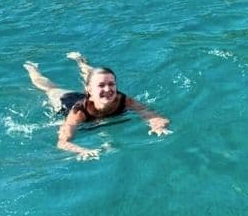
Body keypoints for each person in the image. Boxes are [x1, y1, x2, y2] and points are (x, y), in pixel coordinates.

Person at [23, 51, 170, 160]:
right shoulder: (78, 113)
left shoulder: (123, 100)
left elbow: (150, 114)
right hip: (66, 102)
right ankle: (32, 69)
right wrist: (81, 150)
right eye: (101, 86)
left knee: (94, 75)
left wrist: (157, 125)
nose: (108, 89)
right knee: (49, 88)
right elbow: (62, 142)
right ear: (89, 91)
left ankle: (81, 61)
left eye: (111, 84)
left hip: (92, 98)